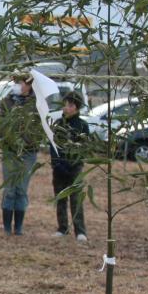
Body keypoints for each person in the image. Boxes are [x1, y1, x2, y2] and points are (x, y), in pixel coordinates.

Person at [0, 74, 43, 236]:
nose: (17, 85)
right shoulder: (6, 103)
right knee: (9, 188)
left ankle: (19, 226)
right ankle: (7, 226)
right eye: (15, 82)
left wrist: (26, 138)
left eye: (20, 82)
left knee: (21, 188)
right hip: (10, 151)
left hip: (28, 153)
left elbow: (40, 130)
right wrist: (12, 136)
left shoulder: (37, 105)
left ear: (29, 85)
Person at [50, 93, 89, 242]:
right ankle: (62, 227)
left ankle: (80, 230)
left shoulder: (82, 125)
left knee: (76, 199)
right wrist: (57, 163)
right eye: (65, 104)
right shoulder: (58, 123)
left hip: (75, 168)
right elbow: (53, 145)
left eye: (71, 105)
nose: (67, 108)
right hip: (59, 167)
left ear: (77, 108)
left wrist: (73, 163)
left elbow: (84, 147)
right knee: (60, 198)